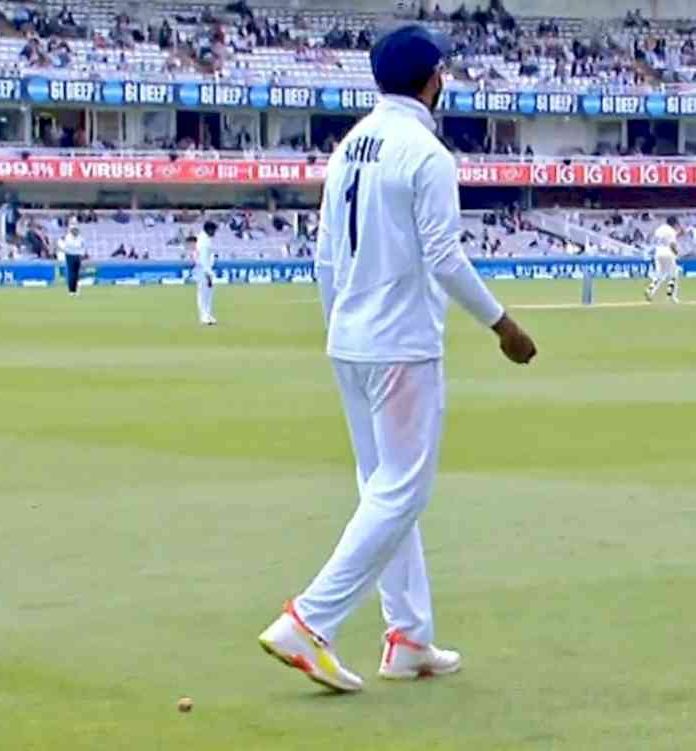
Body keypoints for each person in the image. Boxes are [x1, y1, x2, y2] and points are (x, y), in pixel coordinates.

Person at [258, 25, 537, 693]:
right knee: (400, 490)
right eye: (442, 70)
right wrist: (503, 325)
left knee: (383, 488)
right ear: (429, 78)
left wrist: (342, 329)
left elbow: (325, 256)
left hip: (349, 338)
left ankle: (408, 635)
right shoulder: (427, 152)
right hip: (401, 344)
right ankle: (310, 621)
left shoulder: (350, 145)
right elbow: (445, 256)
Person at [188, 221, 219, 325]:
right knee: (203, 294)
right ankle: (204, 317)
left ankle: (208, 315)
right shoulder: (203, 241)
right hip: (202, 269)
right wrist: (208, 273)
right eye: (214, 230)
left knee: (208, 294)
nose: (215, 233)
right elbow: (203, 258)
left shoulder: (205, 239)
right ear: (209, 230)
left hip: (205, 269)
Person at [645, 215, 681, 304]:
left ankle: (650, 290)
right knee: (674, 275)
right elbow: (672, 244)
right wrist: (677, 253)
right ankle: (671, 296)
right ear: (674, 223)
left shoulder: (660, 229)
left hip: (658, 253)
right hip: (668, 253)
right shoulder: (671, 231)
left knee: (659, 275)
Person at [58, 217, 85, 296]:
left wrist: (81, 254)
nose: (76, 231)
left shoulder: (80, 237)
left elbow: (82, 246)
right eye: (74, 230)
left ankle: (75, 289)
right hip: (70, 255)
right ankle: (71, 290)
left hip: (77, 255)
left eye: (76, 230)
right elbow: (67, 246)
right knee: (71, 273)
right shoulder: (68, 237)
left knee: (76, 273)